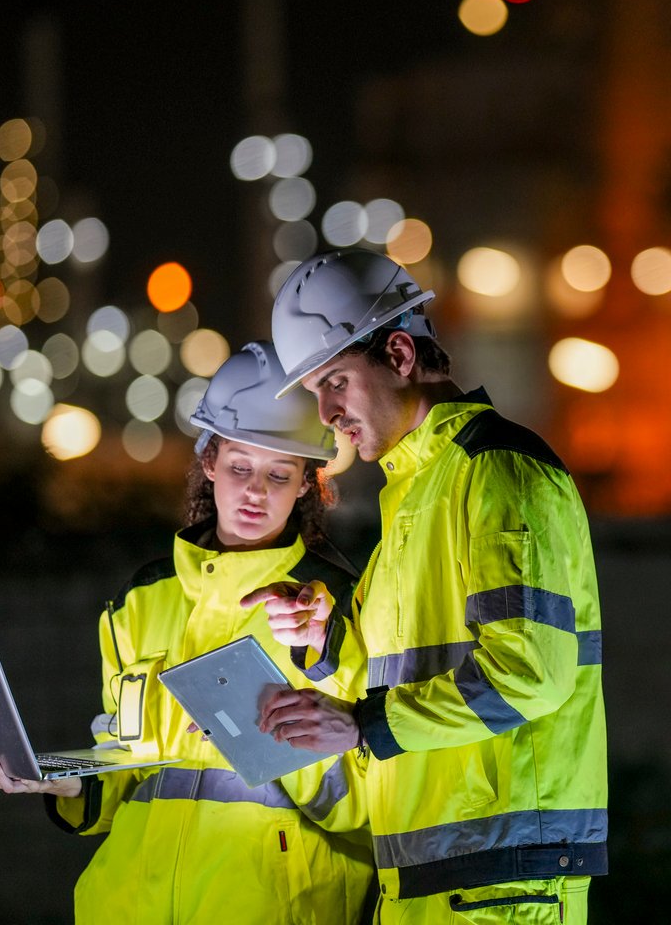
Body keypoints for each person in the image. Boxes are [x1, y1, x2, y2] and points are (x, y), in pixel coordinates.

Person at [246, 250, 607, 924]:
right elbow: (392, 683)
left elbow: (530, 672)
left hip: (502, 884)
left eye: (335, 382)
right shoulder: (411, 499)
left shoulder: (497, 472)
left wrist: (359, 726)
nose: (326, 413)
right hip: (428, 879)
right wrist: (322, 642)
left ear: (401, 353)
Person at [0, 341, 375, 924]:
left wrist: (259, 740)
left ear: (306, 485)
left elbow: (368, 803)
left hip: (270, 906)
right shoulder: (142, 598)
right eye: (240, 466)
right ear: (209, 462)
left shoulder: (334, 605)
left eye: (279, 473)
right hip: (131, 904)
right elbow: (126, 762)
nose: (256, 492)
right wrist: (62, 781)